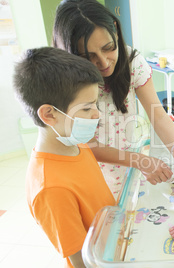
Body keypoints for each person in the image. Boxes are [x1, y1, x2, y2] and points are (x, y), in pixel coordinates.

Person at [52, 0, 174, 199]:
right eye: (89, 57)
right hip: (90, 169)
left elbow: (157, 114)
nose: (104, 63)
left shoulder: (131, 62)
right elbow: (87, 144)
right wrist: (139, 160)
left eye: (108, 47)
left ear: (115, 31)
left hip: (126, 162)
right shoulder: (67, 79)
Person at [13, 47, 116, 268]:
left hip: (113, 247)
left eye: (96, 104)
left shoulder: (75, 142)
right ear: (49, 114)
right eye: (87, 108)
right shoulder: (51, 189)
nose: (97, 114)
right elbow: (80, 260)